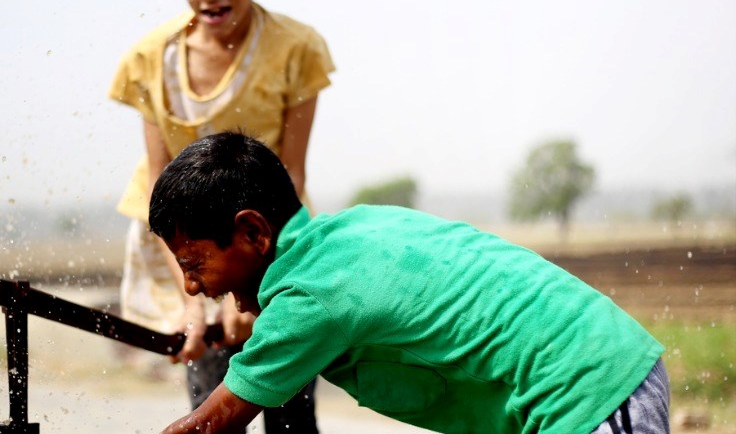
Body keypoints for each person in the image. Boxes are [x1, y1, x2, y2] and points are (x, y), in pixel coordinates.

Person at [150, 132, 671, 434]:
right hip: (597, 371)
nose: (191, 287)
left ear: (252, 233)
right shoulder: (350, 232)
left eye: (194, 264)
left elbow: (211, 426)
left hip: (588, 391)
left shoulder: (309, 298)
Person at [108, 0, 333, 431]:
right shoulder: (153, 56)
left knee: (290, 400)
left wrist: (254, 287)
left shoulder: (296, 47)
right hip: (182, 245)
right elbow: (158, 185)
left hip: (265, 237)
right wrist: (193, 302)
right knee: (212, 396)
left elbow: (292, 174)